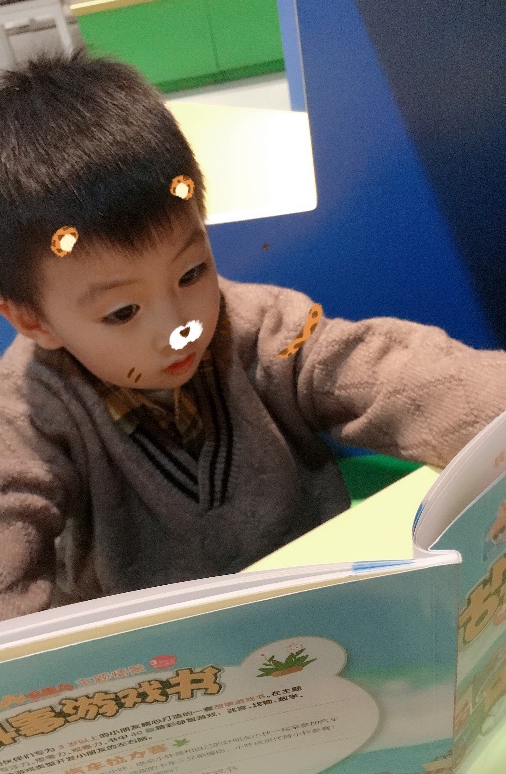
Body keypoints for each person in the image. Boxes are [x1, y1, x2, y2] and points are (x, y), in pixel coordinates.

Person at [0, 49, 504, 622]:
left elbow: (393, 372)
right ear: (34, 321)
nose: (179, 328)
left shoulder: (261, 328)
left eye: (192, 273)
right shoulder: (26, 412)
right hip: (160, 656)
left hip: (321, 606)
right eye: (122, 312)